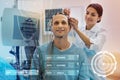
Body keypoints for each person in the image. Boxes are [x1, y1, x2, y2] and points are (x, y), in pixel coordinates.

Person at [30, 13, 89, 80]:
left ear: (69, 28)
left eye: (63, 23)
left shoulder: (80, 54)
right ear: (51, 28)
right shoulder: (40, 51)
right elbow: (33, 77)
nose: (60, 26)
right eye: (56, 23)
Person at [64, 3, 107, 80]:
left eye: (93, 15)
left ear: (99, 18)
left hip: (94, 71)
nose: (88, 16)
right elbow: (66, 31)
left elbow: (92, 45)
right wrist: (66, 17)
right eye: (87, 13)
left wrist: (77, 29)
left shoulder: (102, 32)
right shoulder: (81, 28)